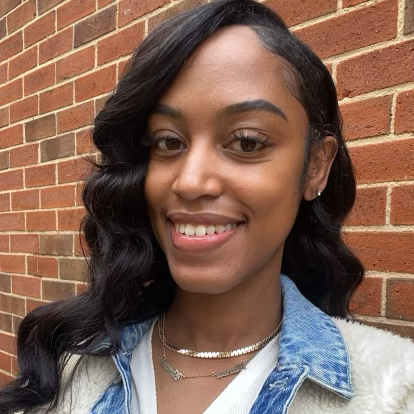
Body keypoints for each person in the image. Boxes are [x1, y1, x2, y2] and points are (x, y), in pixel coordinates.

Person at [1, 0, 414, 413]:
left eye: (247, 141)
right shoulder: (66, 370)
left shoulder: (394, 390)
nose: (191, 181)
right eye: (167, 141)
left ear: (316, 167)